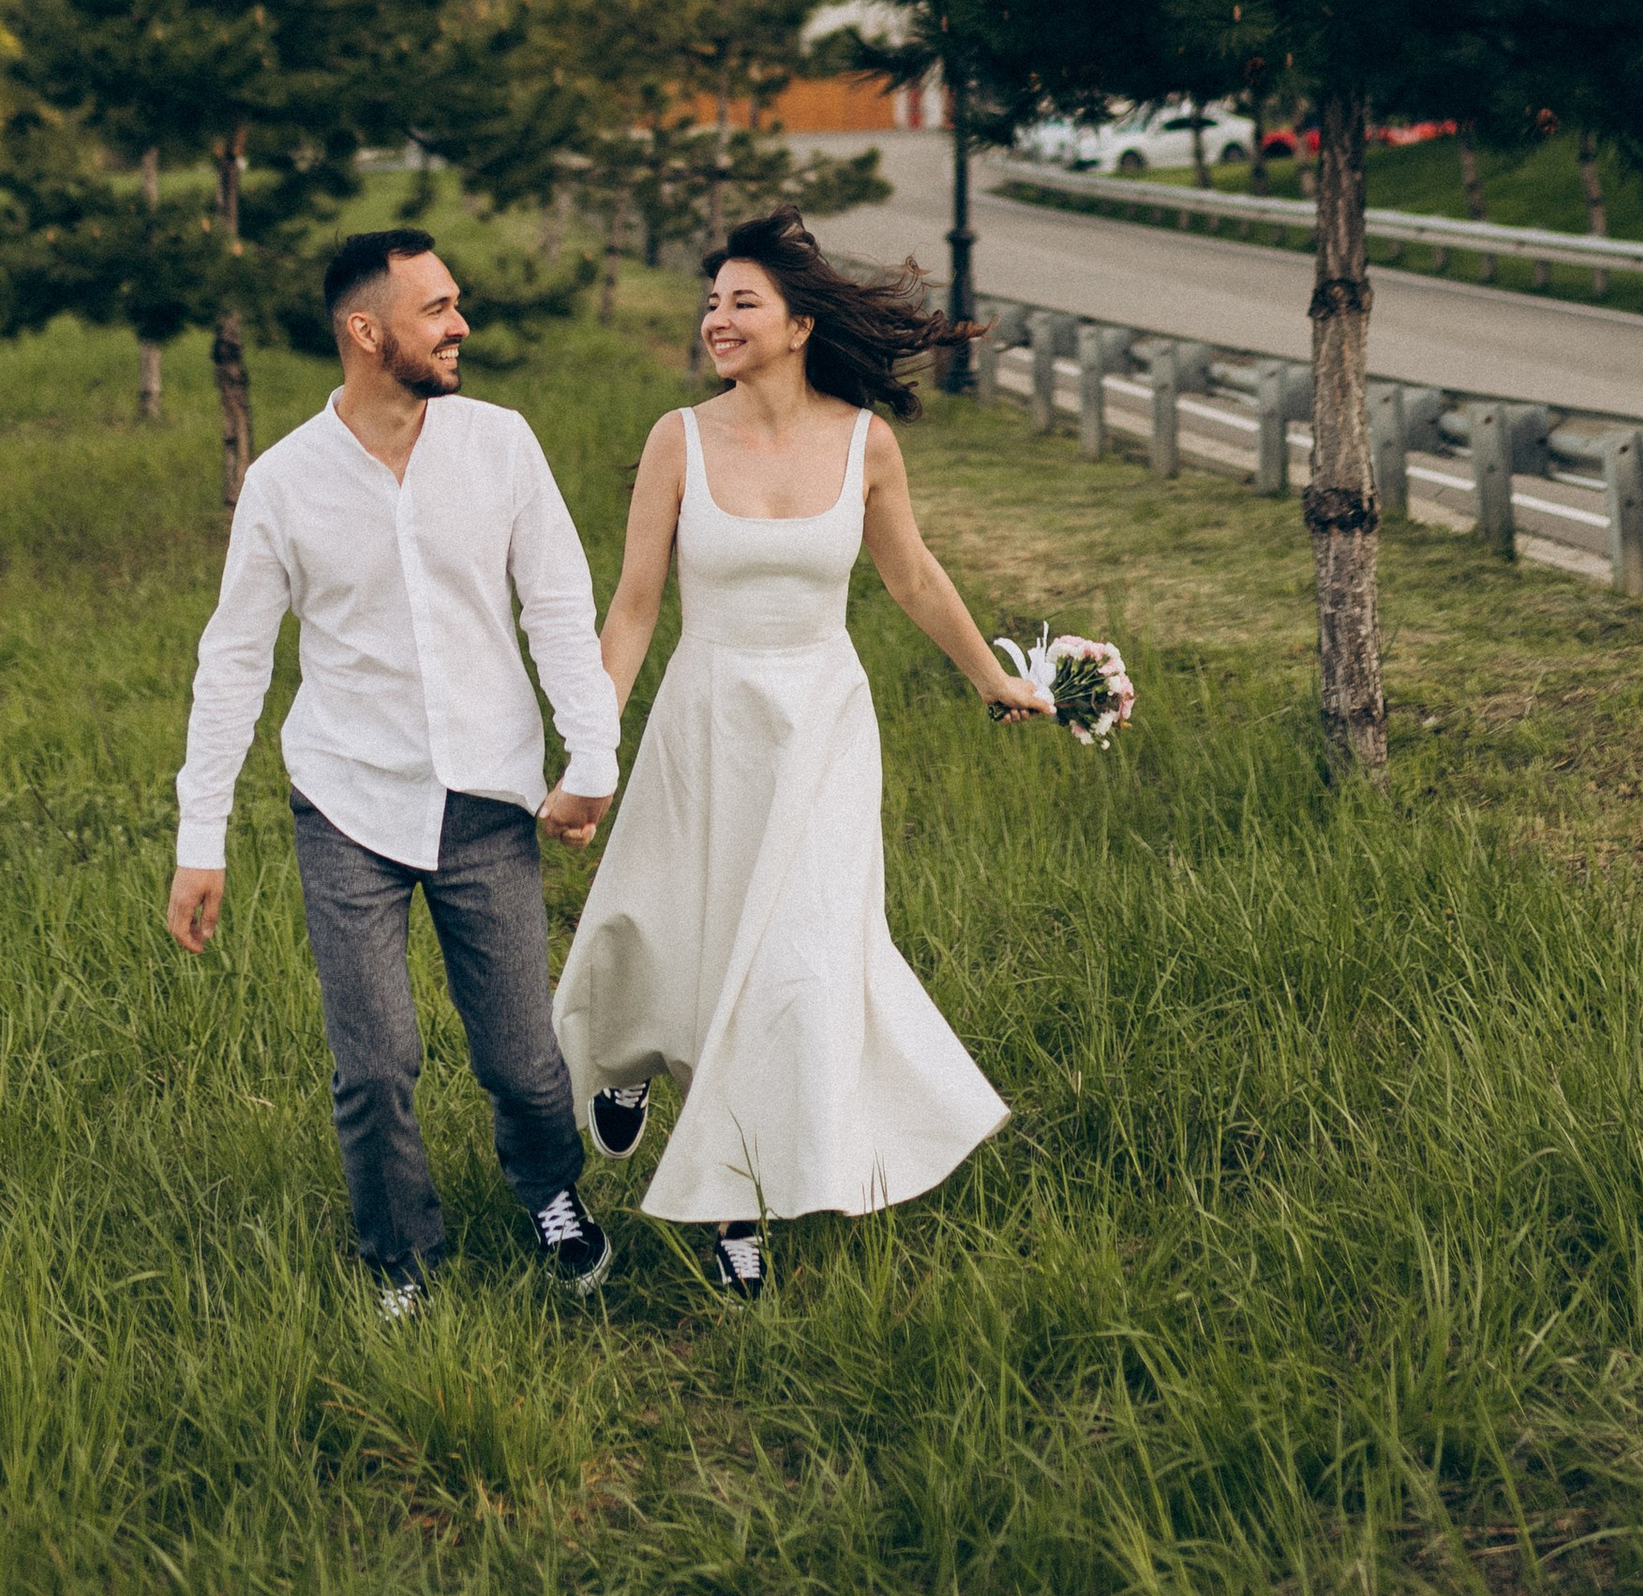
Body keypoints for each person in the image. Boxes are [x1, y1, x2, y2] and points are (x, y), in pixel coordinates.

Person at [552, 205, 1054, 1296]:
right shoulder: (676, 440)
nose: (716, 319)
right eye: (713, 301)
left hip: (821, 728)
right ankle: (632, 1064)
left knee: (792, 968)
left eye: (743, 302)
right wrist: (592, 757)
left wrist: (992, 680)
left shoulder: (865, 442)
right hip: (706, 720)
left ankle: (738, 1207)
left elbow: (911, 577)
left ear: (798, 326)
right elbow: (634, 608)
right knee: (677, 928)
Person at [165, 228, 621, 1315]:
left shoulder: (502, 445)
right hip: (349, 800)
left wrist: (590, 753)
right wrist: (201, 840)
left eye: (456, 303)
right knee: (375, 1063)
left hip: (488, 796)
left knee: (520, 1057)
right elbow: (233, 659)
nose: (460, 325)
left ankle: (550, 1192)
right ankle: (399, 1255)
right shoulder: (283, 482)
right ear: (367, 333)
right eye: (437, 309)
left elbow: (558, 606)